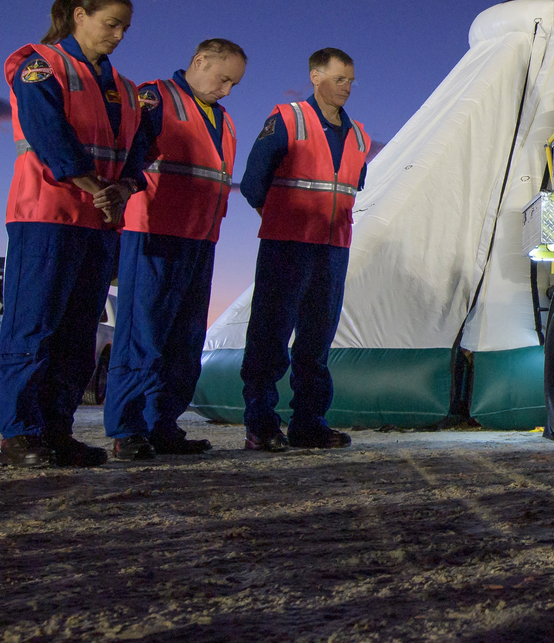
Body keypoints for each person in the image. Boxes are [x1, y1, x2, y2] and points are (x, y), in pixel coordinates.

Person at [0, 0, 146, 469]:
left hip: (98, 220)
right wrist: (93, 185)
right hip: (47, 215)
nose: (119, 34)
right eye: (111, 23)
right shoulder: (40, 64)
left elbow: (138, 150)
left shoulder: (122, 88)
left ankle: (57, 432)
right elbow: (48, 132)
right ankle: (20, 435)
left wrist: (122, 188)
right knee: (33, 326)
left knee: (79, 333)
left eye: (125, 27)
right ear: (80, 16)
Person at [104, 39, 247, 459]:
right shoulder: (154, 99)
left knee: (184, 340)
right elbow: (132, 160)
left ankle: (162, 424)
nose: (227, 90)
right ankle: (127, 428)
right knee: (142, 334)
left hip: (200, 239)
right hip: (154, 234)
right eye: (223, 79)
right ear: (199, 61)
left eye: (234, 84)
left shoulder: (223, 119)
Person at [239, 48, 371, 452]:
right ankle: (261, 424)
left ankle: (308, 423)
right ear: (315, 76)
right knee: (270, 334)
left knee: (317, 340)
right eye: (338, 78)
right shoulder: (287, 119)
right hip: (287, 246)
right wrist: (280, 219)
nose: (346, 87)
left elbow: (349, 189)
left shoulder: (359, 135)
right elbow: (252, 183)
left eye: (350, 80)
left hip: (333, 249)